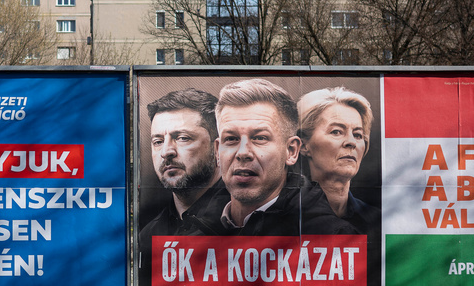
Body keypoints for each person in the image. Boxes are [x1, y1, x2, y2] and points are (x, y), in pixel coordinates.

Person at [213, 78, 358, 236]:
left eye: (260, 138)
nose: (242, 153)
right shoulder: (193, 234)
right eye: (231, 139)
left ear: (291, 151)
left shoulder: (332, 238)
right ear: (217, 151)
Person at [138, 88, 229, 247]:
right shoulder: (149, 235)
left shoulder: (245, 220)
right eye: (158, 142)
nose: (166, 152)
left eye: (182, 138)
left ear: (218, 148)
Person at [297, 87, 379, 231]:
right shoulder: (281, 218)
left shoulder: (378, 221)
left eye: (358, 134)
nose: (351, 142)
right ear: (303, 145)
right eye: (336, 132)